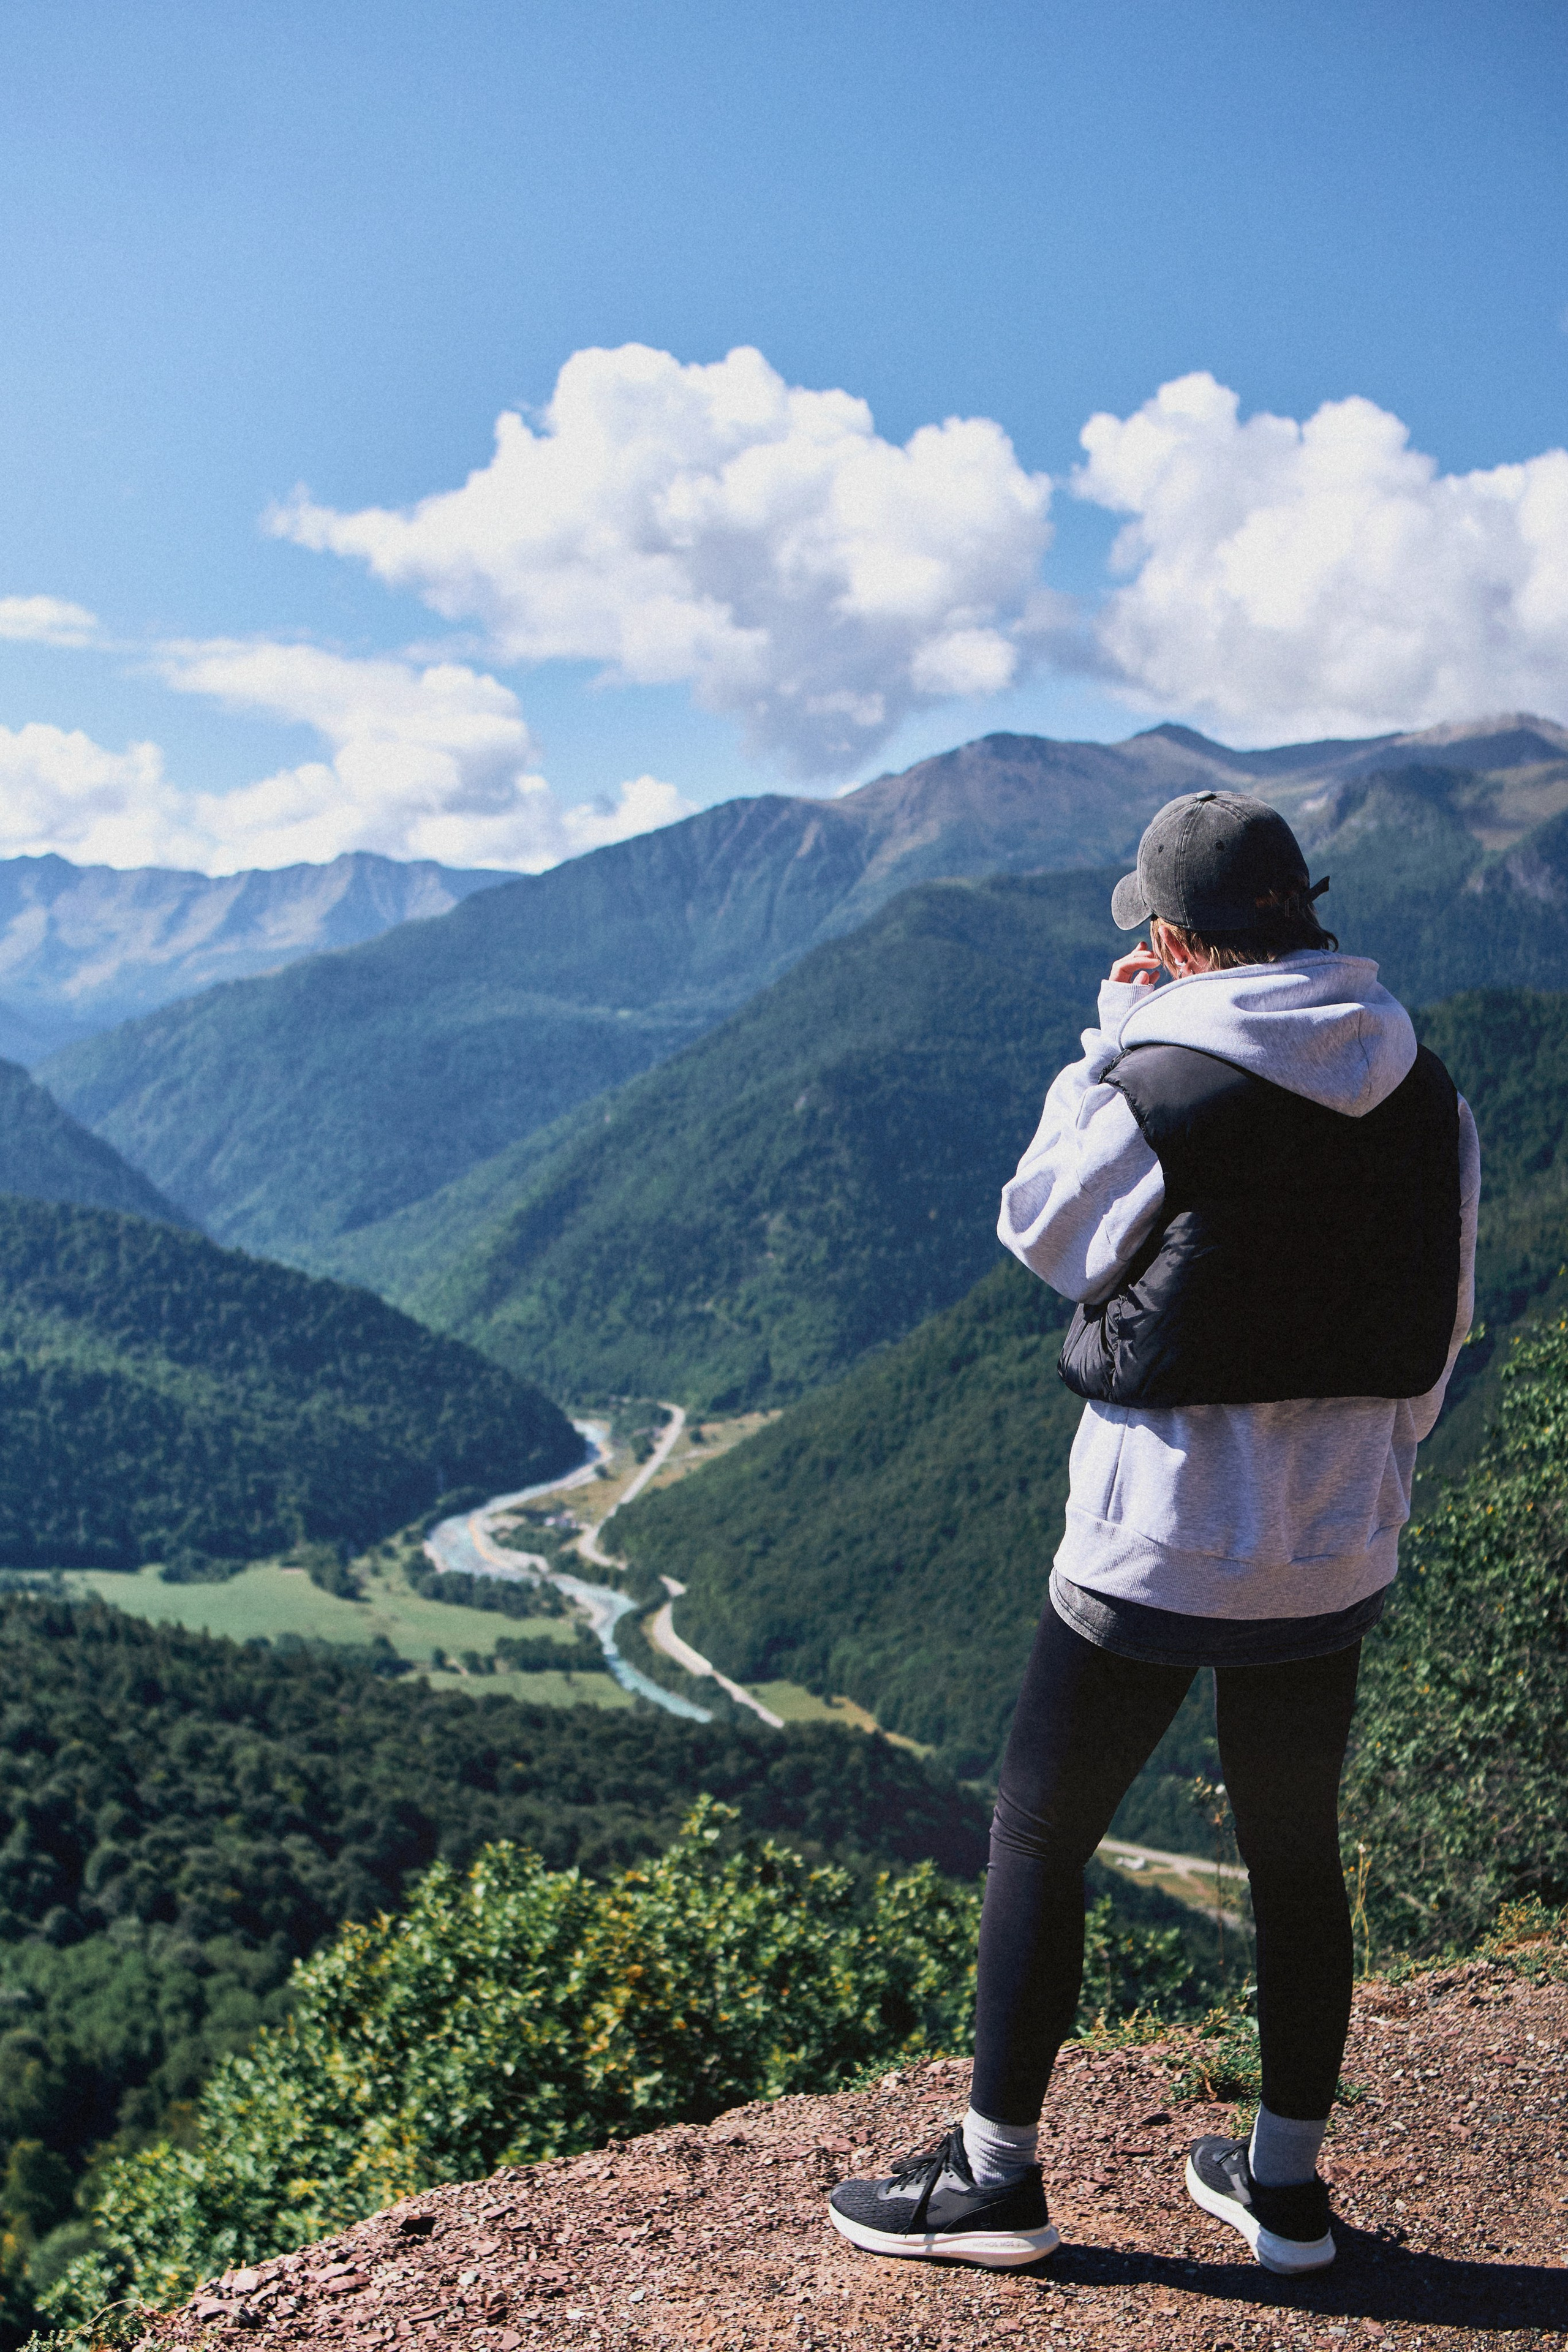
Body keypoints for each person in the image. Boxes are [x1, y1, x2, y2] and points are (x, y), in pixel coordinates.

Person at [828, 790, 1480, 2278]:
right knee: (1292, 1855)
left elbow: (1044, 1233)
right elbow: (1436, 1322)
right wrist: (1353, 1479)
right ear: (1302, 908)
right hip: (1333, 1541)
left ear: (1173, 940)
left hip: (1156, 1541)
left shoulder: (1156, 1081)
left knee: (1040, 1831)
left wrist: (1105, 1046)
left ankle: (993, 2180)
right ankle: (1286, 2191)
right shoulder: (1426, 1085)